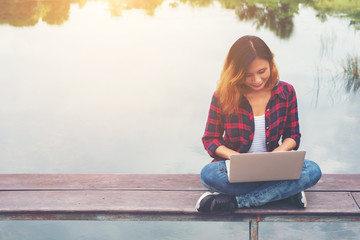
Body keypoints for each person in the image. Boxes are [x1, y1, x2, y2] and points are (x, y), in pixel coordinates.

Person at [196, 35, 322, 212]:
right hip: (235, 167)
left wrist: (278, 153)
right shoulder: (222, 95)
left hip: (274, 166)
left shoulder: (286, 92)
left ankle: (240, 201)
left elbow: (293, 135)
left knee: (313, 170)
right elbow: (211, 139)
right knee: (208, 175)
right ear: (236, 72)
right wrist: (236, 158)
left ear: (271, 64)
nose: (256, 80)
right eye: (248, 75)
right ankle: (286, 192)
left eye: (262, 71)